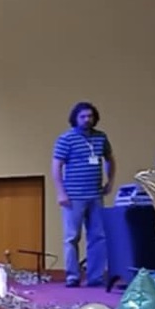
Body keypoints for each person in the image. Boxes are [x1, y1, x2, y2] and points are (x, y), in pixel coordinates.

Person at [51, 101, 114, 288]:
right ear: (75, 118)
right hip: (73, 196)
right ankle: (72, 276)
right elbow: (56, 166)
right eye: (83, 116)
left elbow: (110, 159)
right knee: (71, 237)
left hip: (95, 195)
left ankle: (95, 276)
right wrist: (60, 192)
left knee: (98, 237)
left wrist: (110, 181)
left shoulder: (101, 137)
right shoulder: (66, 139)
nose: (87, 119)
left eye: (90, 116)